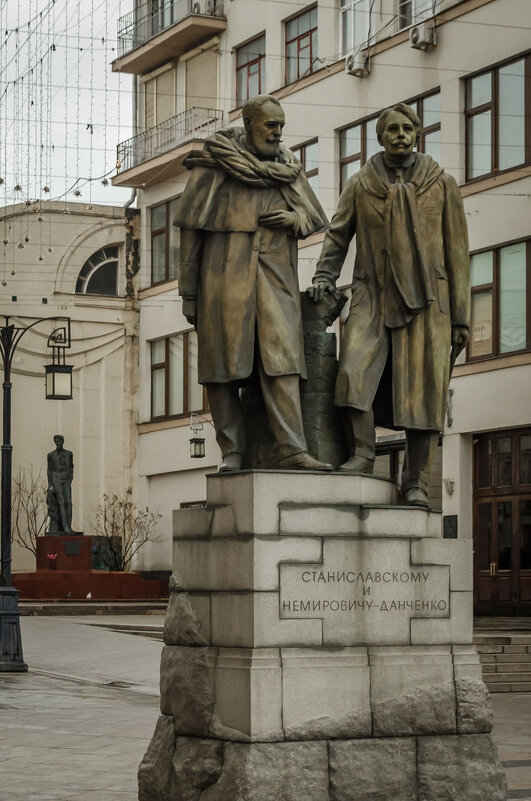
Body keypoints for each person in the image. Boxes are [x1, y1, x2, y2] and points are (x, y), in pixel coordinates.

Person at [308, 103, 470, 506]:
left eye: (407, 128)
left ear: (417, 134)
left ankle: (415, 481)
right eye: (392, 129)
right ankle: (364, 454)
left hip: (430, 302)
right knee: (352, 374)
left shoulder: (442, 183)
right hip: (372, 294)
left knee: (424, 394)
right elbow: (338, 235)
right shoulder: (360, 183)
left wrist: (462, 317)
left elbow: (458, 252)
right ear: (380, 138)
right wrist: (324, 276)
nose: (400, 134)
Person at [174, 94, 332, 472]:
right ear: (248, 126)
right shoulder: (213, 168)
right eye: (270, 126)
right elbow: (191, 235)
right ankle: (231, 451)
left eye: (281, 126)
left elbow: (312, 218)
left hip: (275, 279)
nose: (278, 133)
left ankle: (292, 449)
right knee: (222, 369)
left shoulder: (288, 170)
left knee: (283, 362)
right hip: (223, 280)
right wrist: (189, 292)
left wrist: (293, 222)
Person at [47, 434, 74, 533]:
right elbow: (49, 470)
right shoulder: (51, 455)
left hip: (66, 479)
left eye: (59, 441)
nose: (57, 444)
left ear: (62, 442)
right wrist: (50, 484)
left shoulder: (69, 454)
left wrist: (70, 479)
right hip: (56, 478)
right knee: (61, 503)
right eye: (56, 442)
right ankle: (65, 527)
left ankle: (69, 526)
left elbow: (71, 467)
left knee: (69, 503)